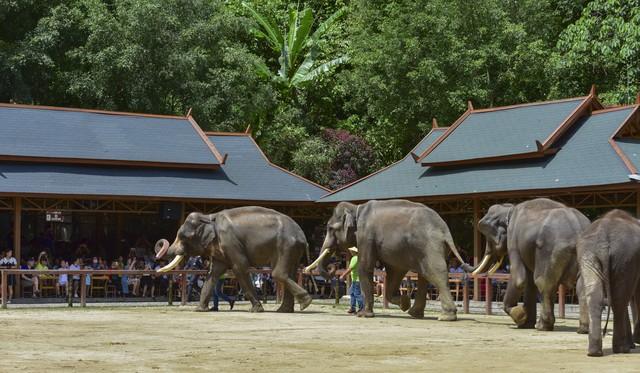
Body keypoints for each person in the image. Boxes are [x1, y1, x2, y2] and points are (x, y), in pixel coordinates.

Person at [340, 247, 363, 315]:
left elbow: (350, 268)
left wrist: (343, 275)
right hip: (356, 279)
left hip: (356, 279)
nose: (351, 252)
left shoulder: (354, 258)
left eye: (351, 251)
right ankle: (353, 308)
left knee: (356, 294)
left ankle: (361, 308)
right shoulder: (359, 258)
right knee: (352, 293)